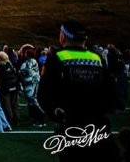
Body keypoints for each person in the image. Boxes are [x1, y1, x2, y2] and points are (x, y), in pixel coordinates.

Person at [38, 20, 120, 162]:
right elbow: (112, 94)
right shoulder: (97, 58)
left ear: (63, 36)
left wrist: (54, 111)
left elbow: (44, 94)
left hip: (72, 127)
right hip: (99, 126)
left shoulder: (57, 58)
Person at [18, 44, 46, 126]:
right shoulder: (34, 60)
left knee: (33, 101)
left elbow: (27, 72)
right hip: (33, 82)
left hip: (30, 83)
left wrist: (20, 72)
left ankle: (40, 118)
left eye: (26, 53)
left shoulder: (29, 61)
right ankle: (38, 119)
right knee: (33, 101)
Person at [0, 51, 20, 128]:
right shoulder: (10, 64)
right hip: (14, 86)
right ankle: (17, 120)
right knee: (14, 104)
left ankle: (10, 120)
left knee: (6, 105)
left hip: (5, 88)